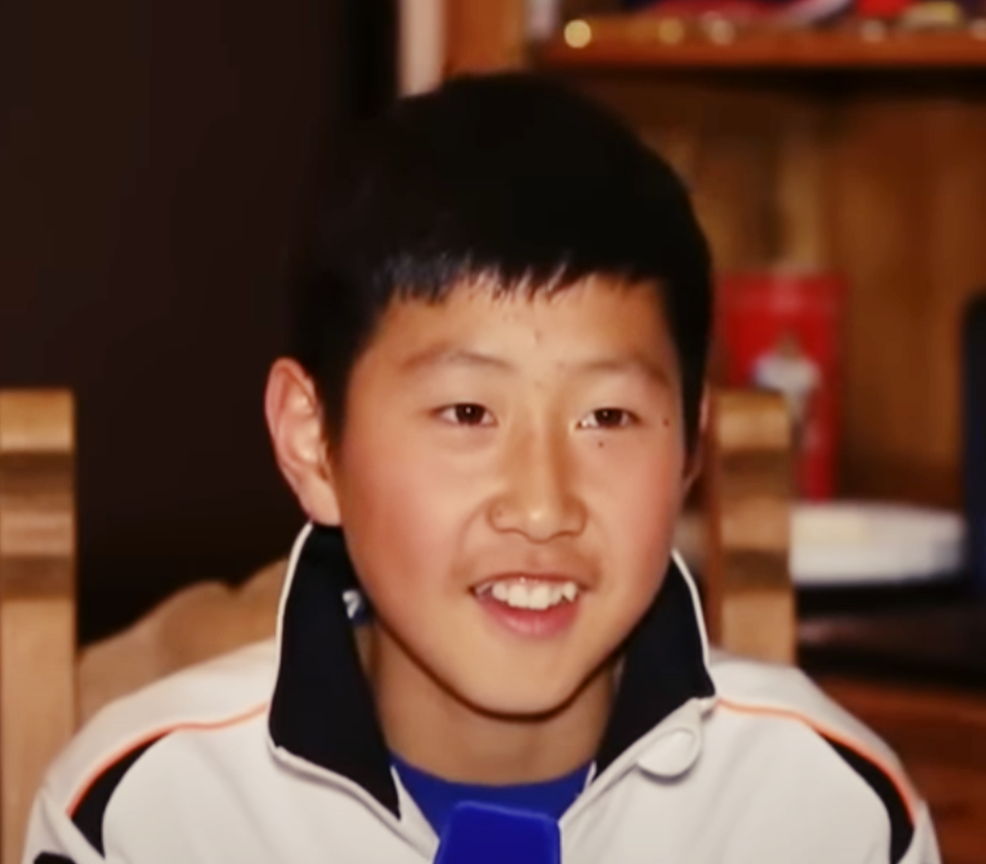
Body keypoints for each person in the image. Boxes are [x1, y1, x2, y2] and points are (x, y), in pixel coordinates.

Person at [23, 73, 938, 864]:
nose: (541, 507)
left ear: (690, 449)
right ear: (313, 441)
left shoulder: (830, 812)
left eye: (608, 417)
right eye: (467, 414)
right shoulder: (145, 816)